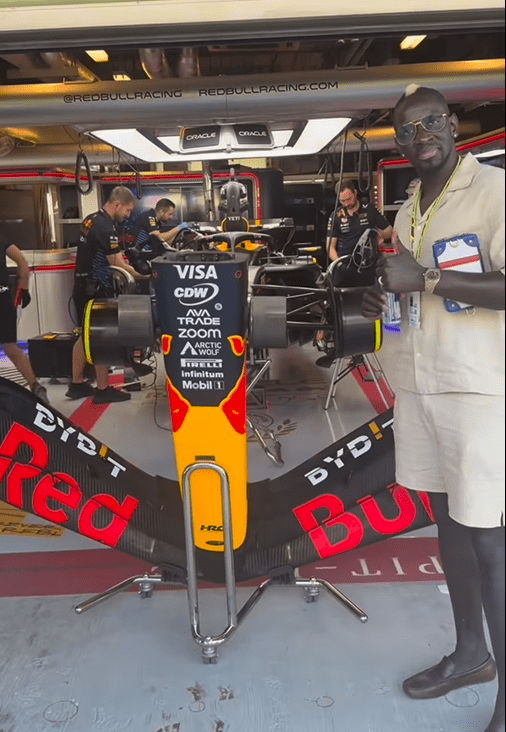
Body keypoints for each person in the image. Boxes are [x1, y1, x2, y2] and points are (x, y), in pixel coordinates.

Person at [362, 84, 505, 732]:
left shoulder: (493, 192)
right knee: (447, 525)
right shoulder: (408, 210)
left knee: (490, 540)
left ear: (451, 123)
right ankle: (471, 654)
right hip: (420, 386)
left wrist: (426, 278)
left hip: (477, 390)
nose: (418, 134)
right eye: (405, 129)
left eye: (428, 122)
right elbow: (413, 299)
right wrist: (387, 305)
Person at [66, 186, 150, 404]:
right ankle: (102, 389)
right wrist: (144, 276)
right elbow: (117, 265)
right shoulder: (106, 227)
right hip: (95, 289)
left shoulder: (91, 219)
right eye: (128, 210)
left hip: (82, 286)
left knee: (83, 336)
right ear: (117, 205)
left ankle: (76, 384)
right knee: (100, 337)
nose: (128, 215)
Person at [0, 227, 48, 404]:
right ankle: (35, 387)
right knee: (11, 348)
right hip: (4, 297)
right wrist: (24, 289)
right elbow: (21, 260)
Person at [328, 180, 392, 286]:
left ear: (355, 193)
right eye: (342, 201)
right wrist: (339, 264)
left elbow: (388, 230)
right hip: (345, 266)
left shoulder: (369, 209)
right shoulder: (336, 215)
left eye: (349, 199)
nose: (346, 203)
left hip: (367, 266)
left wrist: (376, 237)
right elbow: (330, 246)